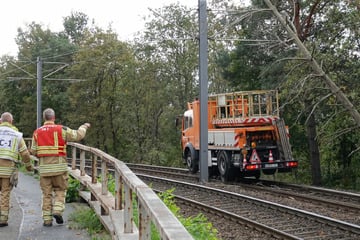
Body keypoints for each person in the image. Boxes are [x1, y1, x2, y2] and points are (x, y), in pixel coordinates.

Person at [30, 108, 90, 227]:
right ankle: (57, 211)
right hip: (59, 169)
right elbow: (78, 135)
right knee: (60, 190)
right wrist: (84, 126)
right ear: (54, 118)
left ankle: (47, 220)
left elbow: (33, 151)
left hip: (44, 170)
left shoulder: (37, 132)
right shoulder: (61, 129)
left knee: (46, 194)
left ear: (44, 118)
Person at [0, 112, 33, 227]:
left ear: (1, 121)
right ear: (11, 121)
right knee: (5, 193)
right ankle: (3, 219)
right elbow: (25, 153)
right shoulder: (16, 135)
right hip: (8, 170)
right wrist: (29, 166)